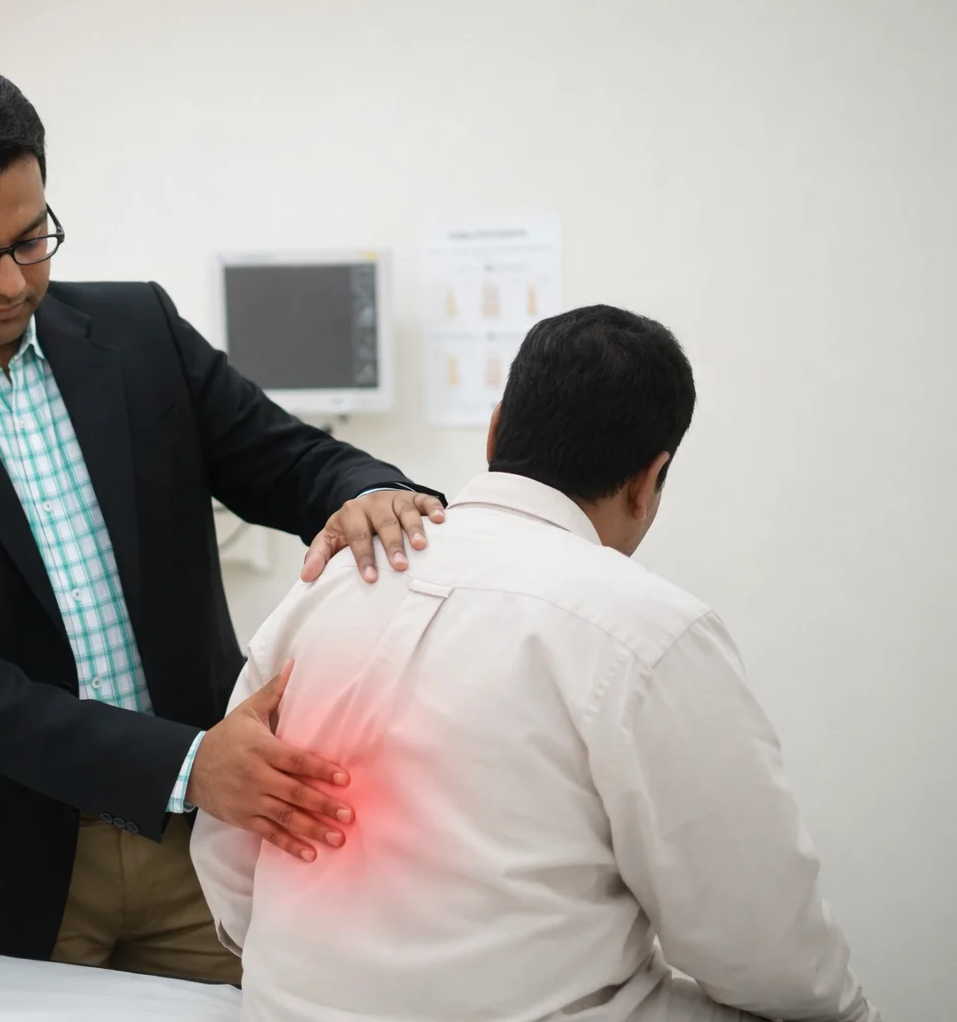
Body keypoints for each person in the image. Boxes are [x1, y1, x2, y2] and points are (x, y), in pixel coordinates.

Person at [0, 63, 443, 985]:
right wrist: (184, 762)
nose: (9, 280)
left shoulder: (137, 331)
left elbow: (289, 459)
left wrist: (370, 488)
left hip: (200, 852)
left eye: (31, 238)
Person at [191, 305, 881, 1021]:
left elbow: (227, 853)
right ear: (651, 478)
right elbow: (760, 940)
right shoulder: (646, 632)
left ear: (494, 431)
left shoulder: (327, 584)